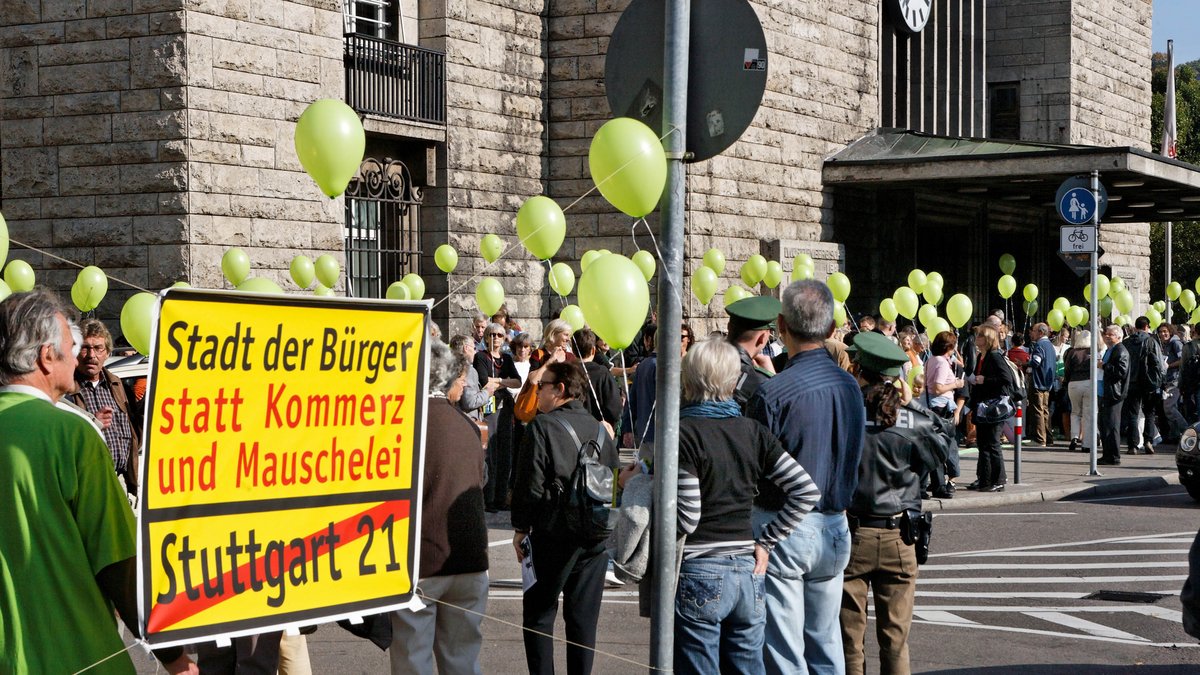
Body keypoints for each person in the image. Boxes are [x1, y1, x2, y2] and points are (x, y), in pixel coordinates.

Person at [0, 289, 196, 675]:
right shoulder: (73, 432)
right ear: (46, 357)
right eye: (71, 348)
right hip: (78, 656)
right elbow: (118, 563)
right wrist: (175, 659)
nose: (78, 358)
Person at [664, 338, 820, 674]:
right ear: (735, 382)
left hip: (700, 566)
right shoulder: (753, 431)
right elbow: (805, 491)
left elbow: (689, 516)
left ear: (688, 380)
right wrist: (767, 541)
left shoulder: (683, 433)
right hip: (748, 569)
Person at [747, 279, 866, 675]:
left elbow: (755, 472)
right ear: (833, 329)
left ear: (780, 325)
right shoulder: (850, 386)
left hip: (783, 523)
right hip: (835, 523)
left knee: (783, 648)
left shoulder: (772, 393)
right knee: (826, 638)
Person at [841, 332, 950, 675]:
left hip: (853, 531)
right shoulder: (913, 421)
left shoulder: (845, 415)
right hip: (899, 534)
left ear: (858, 369)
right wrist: (914, 404)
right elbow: (946, 453)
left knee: (848, 640)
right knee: (895, 641)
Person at [511, 361, 619, 675]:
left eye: (542, 385)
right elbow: (612, 484)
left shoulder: (542, 427)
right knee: (583, 623)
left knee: (539, 618)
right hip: (593, 539)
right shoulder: (601, 430)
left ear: (560, 389)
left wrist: (521, 527)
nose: (537, 391)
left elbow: (529, 484)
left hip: (552, 534)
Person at [391, 341, 489, 675]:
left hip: (422, 562)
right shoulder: (468, 426)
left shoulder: (403, 424)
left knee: (413, 660)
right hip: (470, 558)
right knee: (463, 660)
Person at [65, 317, 142, 497]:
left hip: (121, 481)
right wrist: (93, 422)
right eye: (85, 348)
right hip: (88, 485)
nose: (92, 355)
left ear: (107, 353)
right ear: (75, 351)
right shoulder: (66, 388)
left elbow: (133, 431)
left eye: (98, 348)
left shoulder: (118, 385)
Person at [475, 322, 522, 511]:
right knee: (491, 453)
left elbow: (517, 381)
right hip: (490, 409)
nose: (495, 338)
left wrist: (499, 381)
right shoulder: (481, 357)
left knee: (505, 452)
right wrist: (502, 383)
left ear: (504, 338)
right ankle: (490, 498)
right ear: (486, 337)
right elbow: (484, 381)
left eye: (499, 335)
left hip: (505, 409)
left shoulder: (507, 359)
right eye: (492, 335)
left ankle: (501, 497)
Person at [966, 324, 1014, 492]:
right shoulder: (982, 356)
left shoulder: (995, 356)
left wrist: (984, 380)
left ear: (987, 340)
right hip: (983, 405)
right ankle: (985, 479)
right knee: (983, 444)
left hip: (993, 407)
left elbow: (1006, 379)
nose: (976, 339)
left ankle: (998, 479)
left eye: (979, 336)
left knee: (992, 444)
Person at [923, 331, 963, 496]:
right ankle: (940, 485)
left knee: (936, 446)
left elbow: (961, 364)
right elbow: (937, 387)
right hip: (941, 407)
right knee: (943, 446)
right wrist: (956, 384)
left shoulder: (932, 359)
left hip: (934, 406)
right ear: (948, 347)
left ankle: (937, 483)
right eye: (953, 346)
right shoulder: (941, 363)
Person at [726, 295, 782, 411]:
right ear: (762, 337)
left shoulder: (701, 363)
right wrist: (773, 379)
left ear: (729, 327)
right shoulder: (760, 381)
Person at [1122, 317, 1165, 455]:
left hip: (1131, 382)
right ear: (1147, 326)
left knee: (1133, 414)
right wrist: (1160, 382)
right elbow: (1159, 364)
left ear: (1136, 327)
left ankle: (1133, 445)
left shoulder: (1127, 342)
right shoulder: (1152, 341)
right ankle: (1148, 441)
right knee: (1150, 413)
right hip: (1149, 383)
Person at [573, 327, 621, 432]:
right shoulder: (603, 373)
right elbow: (614, 406)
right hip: (599, 430)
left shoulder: (566, 373)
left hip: (572, 430)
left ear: (573, 350)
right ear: (593, 350)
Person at [1098, 324, 1131, 465]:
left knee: (1111, 425)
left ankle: (1113, 456)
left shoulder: (1121, 350)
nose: (1107, 336)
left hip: (1114, 393)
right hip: (1106, 392)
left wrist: (1104, 366)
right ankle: (1107, 454)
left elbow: (1120, 372)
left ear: (1118, 336)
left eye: (1110, 334)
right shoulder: (1111, 350)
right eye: (1106, 333)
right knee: (1104, 425)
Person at [1062, 329, 1094, 453]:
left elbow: (1067, 370)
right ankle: (1086, 443)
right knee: (1087, 414)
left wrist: (1066, 382)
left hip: (1074, 383)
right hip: (1089, 383)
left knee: (1075, 412)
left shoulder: (1072, 352)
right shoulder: (1092, 352)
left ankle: (1074, 437)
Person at [1026, 323, 1058, 447]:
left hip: (1038, 381)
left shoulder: (1039, 345)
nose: (1031, 333)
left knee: (1038, 410)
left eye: (1033, 331)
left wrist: (1025, 363)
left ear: (1040, 332)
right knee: (1045, 410)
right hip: (1048, 383)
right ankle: (1048, 437)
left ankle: (1040, 439)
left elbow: (1036, 362)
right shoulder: (1050, 345)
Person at [1159, 323, 1188, 442]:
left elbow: (1183, 360)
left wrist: (1169, 366)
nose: (1162, 334)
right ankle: (1175, 434)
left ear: (1170, 331)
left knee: (1169, 407)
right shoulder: (1165, 344)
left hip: (1174, 380)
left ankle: (1187, 431)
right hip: (1168, 379)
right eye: (1160, 332)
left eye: (1165, 331)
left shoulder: (1175, 343)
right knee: (1172, 407)